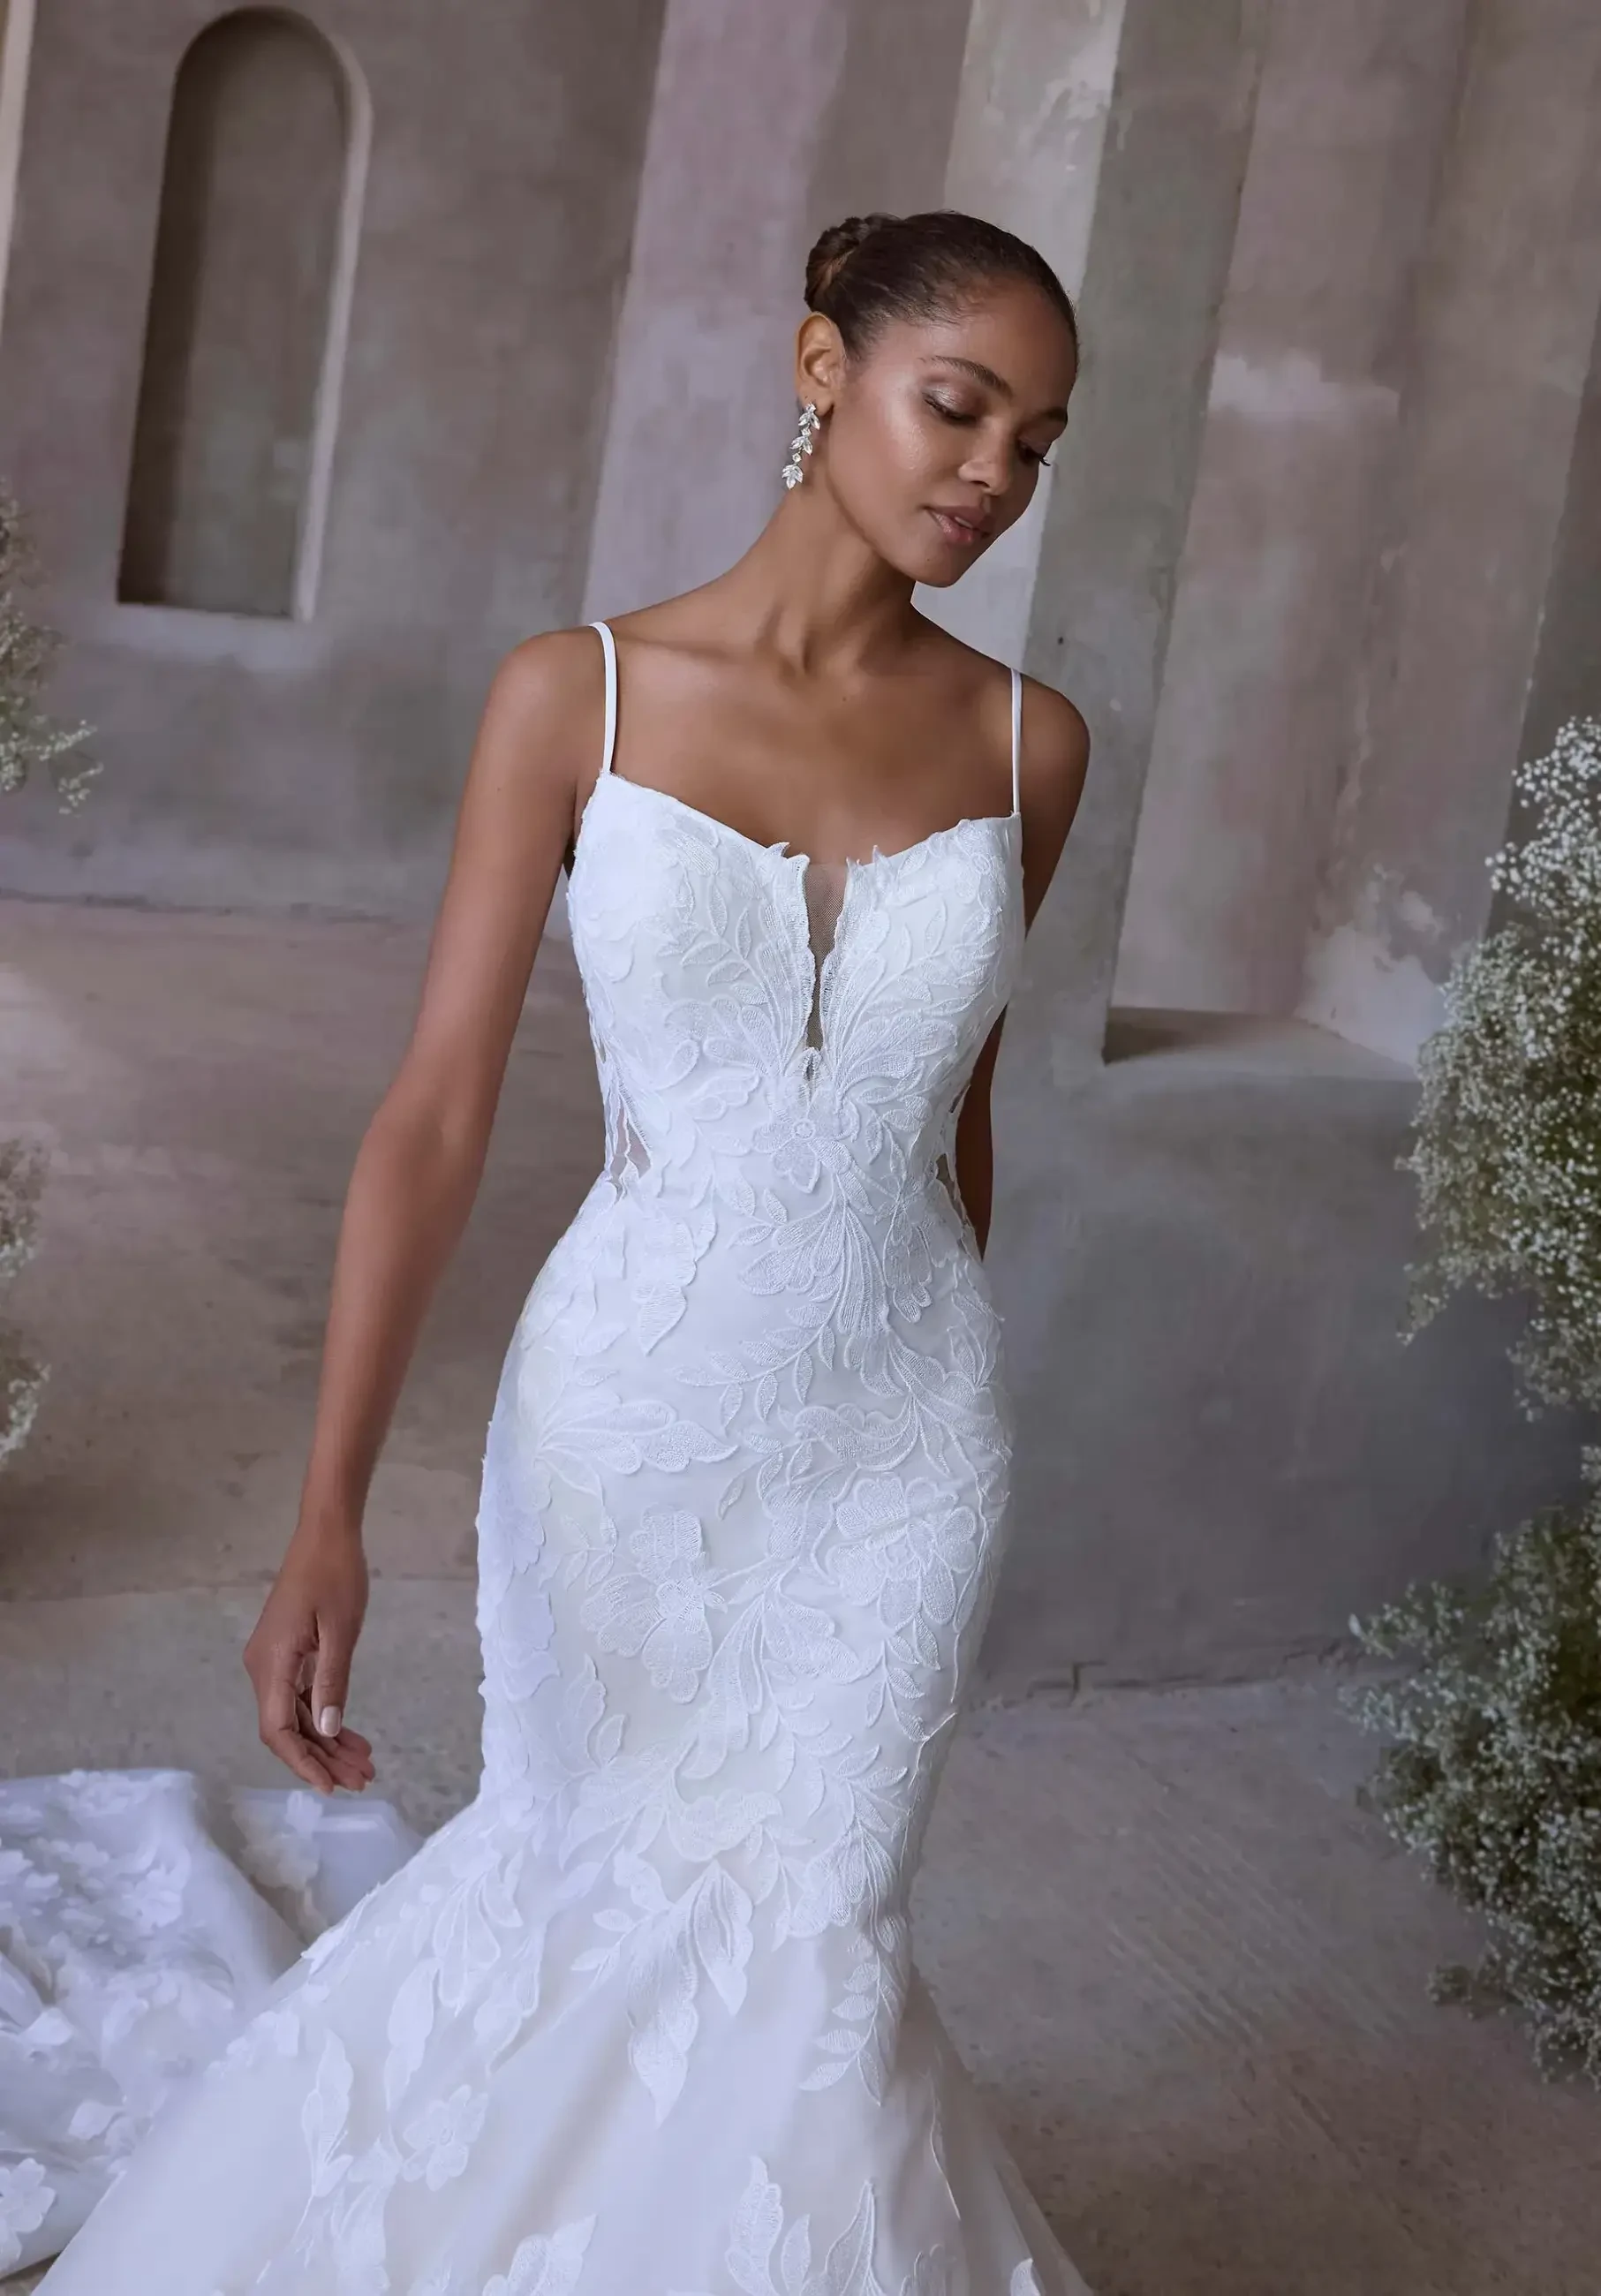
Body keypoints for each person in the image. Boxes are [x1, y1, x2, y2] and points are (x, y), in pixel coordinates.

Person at [32, 208, 1091, 2293]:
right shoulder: (577, 696)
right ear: (820, 372)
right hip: (629, 1422)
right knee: (572, 1874)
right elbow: (431, 1122)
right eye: (954, 404)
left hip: (898, 1450)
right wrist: (327, 1513)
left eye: (1036, 444)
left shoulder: (1026, 745)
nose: (990, 472)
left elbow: (953, 1124)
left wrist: (937, 1389)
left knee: (823, 1942)